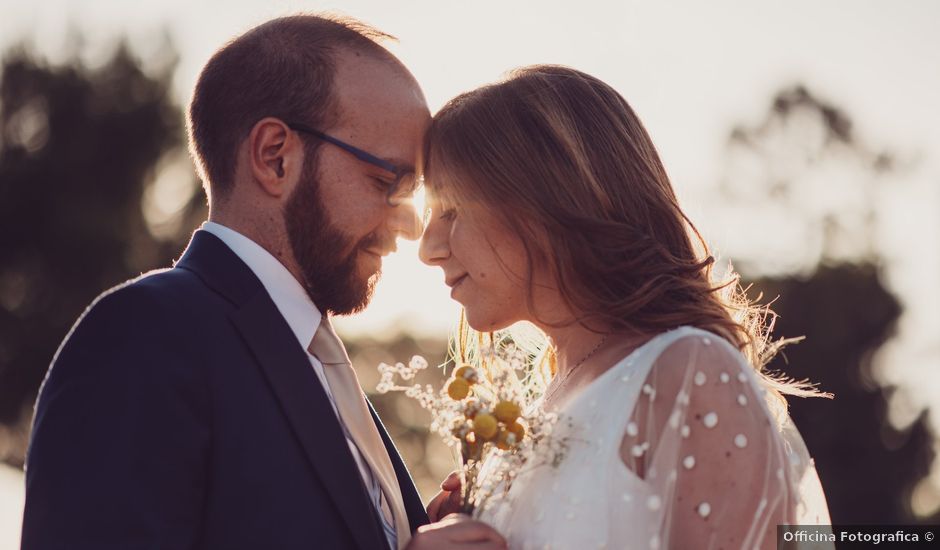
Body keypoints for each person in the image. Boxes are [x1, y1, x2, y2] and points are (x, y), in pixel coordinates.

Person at [22, 15, 505, 550]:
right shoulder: (144, 337)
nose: (411, 225)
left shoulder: (318, 363)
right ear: (275, 156)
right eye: (387, 182)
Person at [419, 65, 832, 549]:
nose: (428, 248)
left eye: (450, 211)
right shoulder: (542, 403)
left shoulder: (684, 374)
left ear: (548, 200)